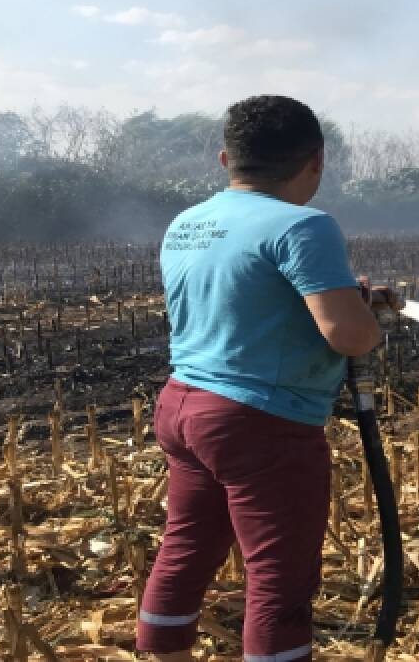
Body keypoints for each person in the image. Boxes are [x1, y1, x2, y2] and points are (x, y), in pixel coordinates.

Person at [136, 95, 400, 662]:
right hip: (260, 423)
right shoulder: (304, 225)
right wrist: (368, 320)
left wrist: (348, 300)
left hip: (183, 408)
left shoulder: (188, 223)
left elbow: (246, 298)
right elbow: (347, 337)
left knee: (185, 550)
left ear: (227, 157)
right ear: (317, 161)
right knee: (281, 581)